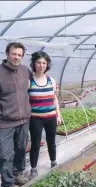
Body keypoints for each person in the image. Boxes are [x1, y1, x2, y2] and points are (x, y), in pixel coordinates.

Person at [0, 42, 31, 187]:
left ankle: (17, 174)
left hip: (24, 120)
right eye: (14, 54)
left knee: (21, 150)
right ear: (7, 54)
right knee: (5, 154)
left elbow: (29, 90)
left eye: (19, 55)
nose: (16, 57)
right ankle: (7, 184)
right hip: (4, 122)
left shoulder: (25, 71)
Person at [28, 51, 61, 180]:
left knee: (51, 141)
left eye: (44, 63)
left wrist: (58, 115)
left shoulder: (51, 80)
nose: (41, 65)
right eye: (38, 62)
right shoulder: (29, 81)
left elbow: (55, 99)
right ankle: (33, 168)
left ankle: (53, 162)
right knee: (35, 143)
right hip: (35, 118)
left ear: (47, 65)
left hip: (51, 117)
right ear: (34, 64)